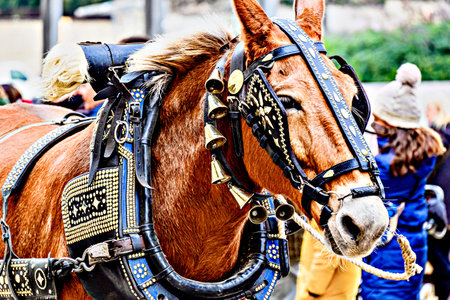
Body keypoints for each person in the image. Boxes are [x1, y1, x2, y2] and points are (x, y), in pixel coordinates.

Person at [359, 63, 445, 300]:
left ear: (389, 124)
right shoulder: (424, 153)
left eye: (377, 120)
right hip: (415, 242)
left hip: (390, 249)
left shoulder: (385, 166)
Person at [296, 219, 361, 300]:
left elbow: (325, 256)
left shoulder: (322, 214)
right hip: (340, 288)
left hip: (327, 292)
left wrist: (313, 290)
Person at [425, 99, 450, 300]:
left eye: (429, 111)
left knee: (439, 258)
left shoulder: (435, 139)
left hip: (440, 209)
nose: (426, 115)